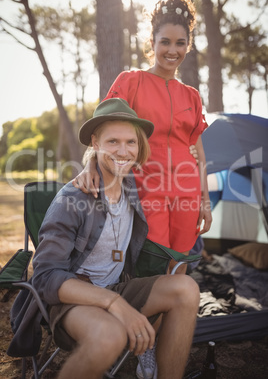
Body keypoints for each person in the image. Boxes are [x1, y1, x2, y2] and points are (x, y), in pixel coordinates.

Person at [8, 98, 200, 379]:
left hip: (116, 286)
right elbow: (45, 277)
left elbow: (172, 172)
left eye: (130, 142)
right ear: (95, 143)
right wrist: (113, 303)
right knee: (110, 335)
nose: (123, 151)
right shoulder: (73, 199)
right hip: (73, 299)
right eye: (113, 142)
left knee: (186, 288)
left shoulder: (131, 183)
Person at [74, 0, 212, 260]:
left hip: (188, 188)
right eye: (165, 42)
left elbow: (200, 153)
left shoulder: (192, 96)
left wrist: (205, 202)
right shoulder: (131, 82)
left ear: (189, 45)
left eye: (180, 43)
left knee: (181, 259)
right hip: (145, 186)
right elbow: (103, 130)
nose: (172, 50)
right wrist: (90, 164)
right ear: (152, 41)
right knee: (152, 260)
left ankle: (176, 301)